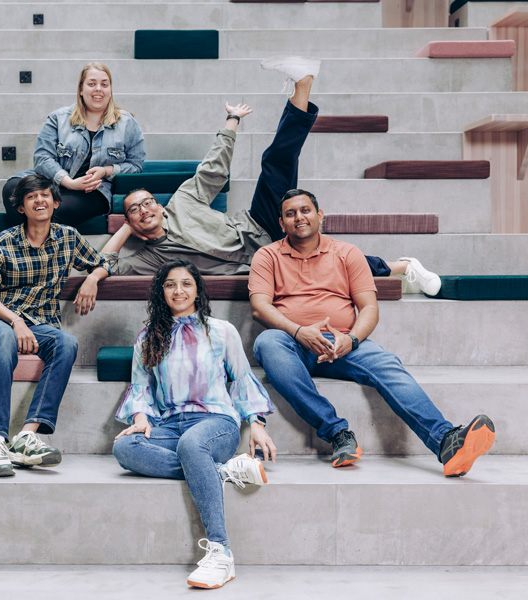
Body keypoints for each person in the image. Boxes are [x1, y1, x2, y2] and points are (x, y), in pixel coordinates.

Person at [99, 56, 441, 295]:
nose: (144, 209)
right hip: (262, 262)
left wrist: (231, 121)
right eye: (134, 210)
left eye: (147, 203)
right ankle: (403, 266)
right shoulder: (147, 258)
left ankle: (303, 84)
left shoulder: (182, 201)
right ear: (132, 223)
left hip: (259, 224)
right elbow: (106, 264)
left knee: (275, 162)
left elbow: (213, 169)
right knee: (329, 264)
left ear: (159, 206)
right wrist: (126, 229)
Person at [248, 189, 495, 476]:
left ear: (320, 215)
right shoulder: (267, 256)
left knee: (386, 362)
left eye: (305, 210)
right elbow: (260, 307)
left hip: (341, 342)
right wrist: (299, 331)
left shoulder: (347, 253)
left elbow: (369, 308)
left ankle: (446, 441)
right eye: (290, 214)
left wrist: (350, 339)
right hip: (291, 341)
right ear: (281, 223)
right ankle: (338, 432)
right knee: (267, 343)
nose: (299, 217)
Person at [112, 259, 276, 589]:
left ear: (197, 290)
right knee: (124, 446)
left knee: (193, 446)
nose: (179, 290)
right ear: (162, 292)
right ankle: (223, 472)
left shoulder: (222, 331)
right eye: (171, 284)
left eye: (186, 283)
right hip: (170, 425)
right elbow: (140, 386)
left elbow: (241, 380)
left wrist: (256, 423)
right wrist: (141, 419)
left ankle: (221, 552)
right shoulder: (147, 338)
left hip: (215, 423)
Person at [0, 173, 110, 477]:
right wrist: (15, 319)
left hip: (41, 323)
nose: (40, 200)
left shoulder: (68, 237)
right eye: (32, 196)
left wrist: (91, 278)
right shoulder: (2, 243)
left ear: (55, 202)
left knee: (67, 343)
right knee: (5, 338)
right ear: (21, 208)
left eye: (45, 195)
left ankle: (27, 436)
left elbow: (105, 261)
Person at [1, 62, 146, 228]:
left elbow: (136, 165)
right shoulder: (59, 118)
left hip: (93, 192)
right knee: (12, 188)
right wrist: (68, 182)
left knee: (51, 212)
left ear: (110, 90)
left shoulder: (127, 124)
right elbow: (42, 157)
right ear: (81, 89)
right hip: (53, 182)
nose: (98, 88)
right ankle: (31, 252)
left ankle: (24, 251)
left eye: (104, 84)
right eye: (92, 84)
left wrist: (106, 171)